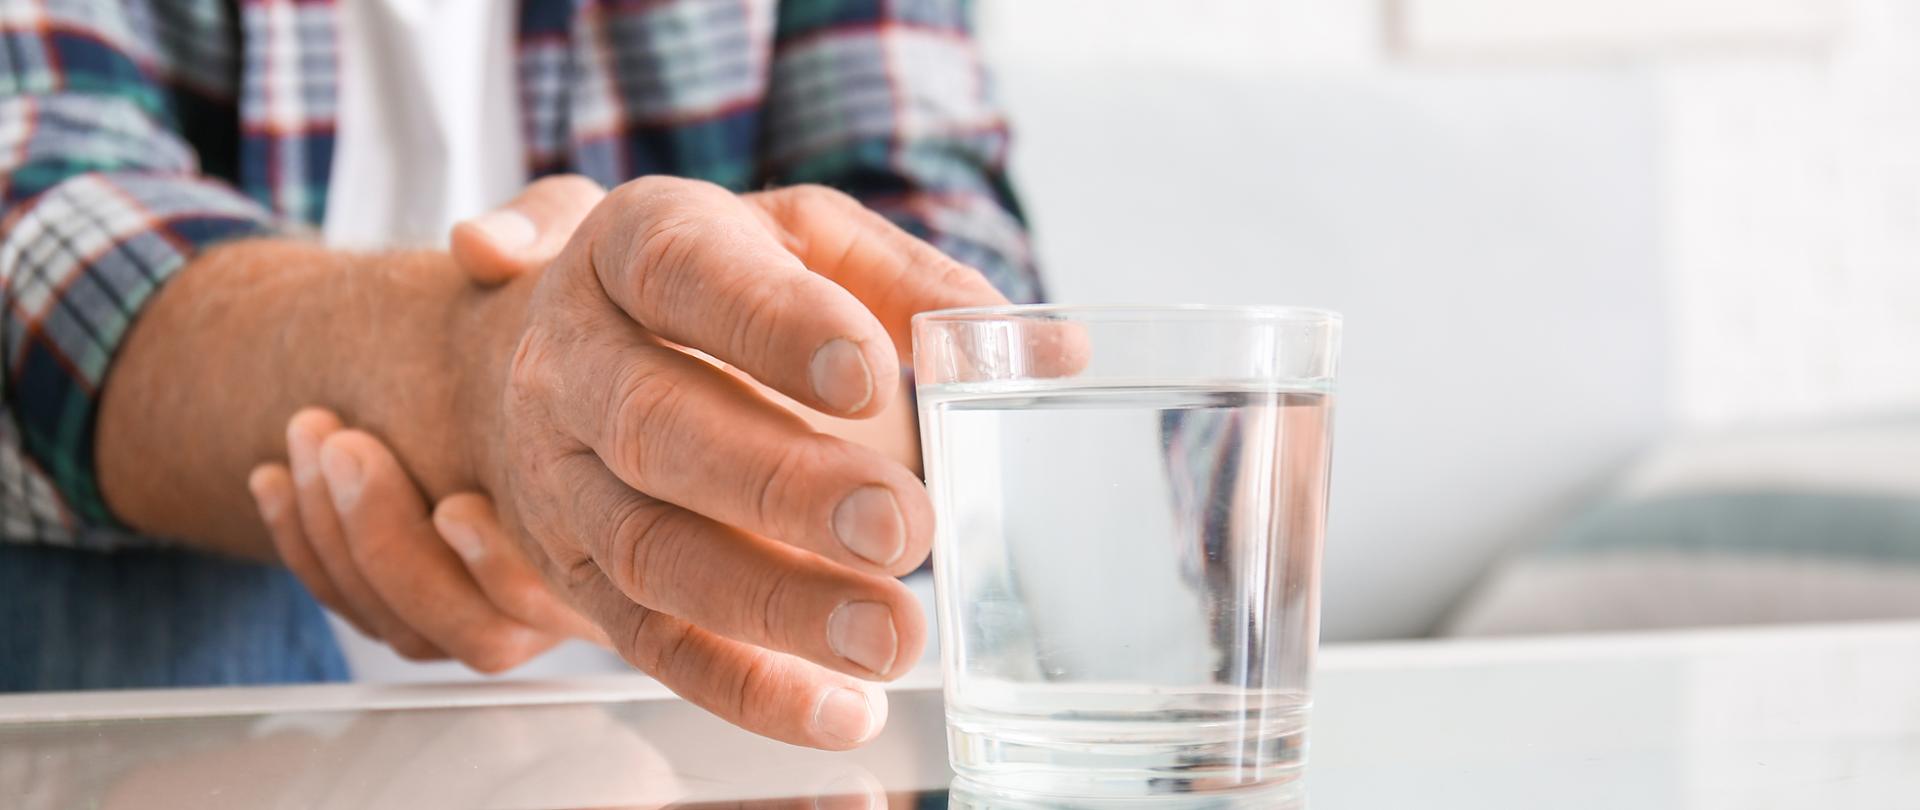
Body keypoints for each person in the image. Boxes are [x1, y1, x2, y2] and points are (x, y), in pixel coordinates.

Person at [0, 0, 1040, 751]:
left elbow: (961, 287)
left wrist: (650, 421)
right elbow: (32, 235)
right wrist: (474, 379)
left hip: (714, 749)